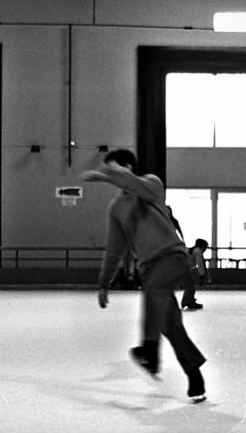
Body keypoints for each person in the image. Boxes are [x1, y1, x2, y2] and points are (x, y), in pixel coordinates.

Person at [81, 148, 207, 403]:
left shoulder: (152, 185)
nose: (110, 175)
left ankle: (150, 349)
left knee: (155, 289)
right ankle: (194, 373)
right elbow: (115, 249)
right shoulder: (116, 208)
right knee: (170, 324)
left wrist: (107, 175)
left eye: (114, 169)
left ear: (128, 167)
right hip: (149, 269)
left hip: (172, 257)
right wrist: (104, 282)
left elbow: (132, 184)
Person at [181, 238, 210, 310]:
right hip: (187, 270)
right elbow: (199, 264)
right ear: (202, 246)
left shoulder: (190, 250)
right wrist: (202, 275)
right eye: (205, 247)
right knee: (190, 287)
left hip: (183, 268)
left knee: (190, 286)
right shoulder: (198, 251)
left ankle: (189, 300)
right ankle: (187, 301)